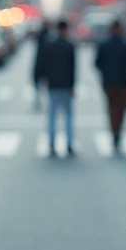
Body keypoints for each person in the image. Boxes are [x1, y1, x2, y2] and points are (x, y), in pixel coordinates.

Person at [95, 19, 126, 153]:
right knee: (121, 110)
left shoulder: (105, 44)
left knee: (112, 109)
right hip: (122, 83)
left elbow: (97, 63)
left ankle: (114, 132)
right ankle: (117, 133)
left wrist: (106, 73)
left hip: (109, 83)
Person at [42, 19, 76, 157]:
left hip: (54, 85)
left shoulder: (51, 45)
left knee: (52, 116)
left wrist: (46, 81)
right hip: (66, 85)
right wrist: (72, 85)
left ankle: (52, 145)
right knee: (68, 116)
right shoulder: (69, 46)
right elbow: (73, 68)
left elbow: (45, 65)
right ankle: (69, 145)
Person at [32, 20, 51, 111]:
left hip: (40, 63)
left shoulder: (47, 37)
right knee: (43, 85)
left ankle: (39, 100)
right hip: (43, 64)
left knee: (40, 84)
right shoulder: (48, 37)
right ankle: (39, 100)